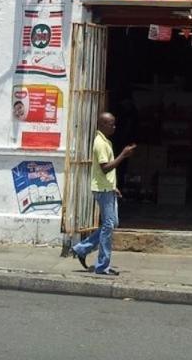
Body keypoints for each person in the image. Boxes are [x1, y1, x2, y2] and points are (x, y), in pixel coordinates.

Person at [65, 111, 136, 277]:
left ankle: (81, 249)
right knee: (108, 225)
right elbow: (105, 168)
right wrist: (123, 155)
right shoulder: (100, 143)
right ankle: (102, 266)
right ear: (102, 124)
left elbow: (102, 171)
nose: (114, 127)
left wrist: (113, 186)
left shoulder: (105, 141)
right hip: (103, 190)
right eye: (111, 124)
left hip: (107, 188)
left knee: (111, 223)